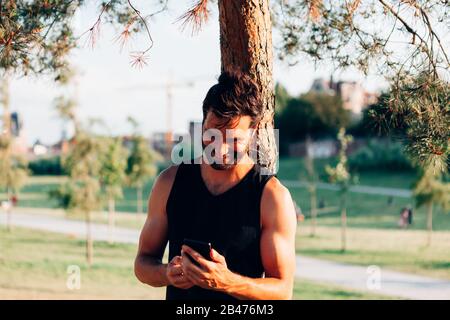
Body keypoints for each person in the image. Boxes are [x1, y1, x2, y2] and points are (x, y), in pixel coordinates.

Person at [134, 70, 297, 300]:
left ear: (253, 133)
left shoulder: (272, 196)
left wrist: (227, 282)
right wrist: (166, 274)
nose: (220, 149)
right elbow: (142, 263)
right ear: (203, 124)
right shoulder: (169, 182)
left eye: (234, 140)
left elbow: (283, 291)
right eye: (212, 135)